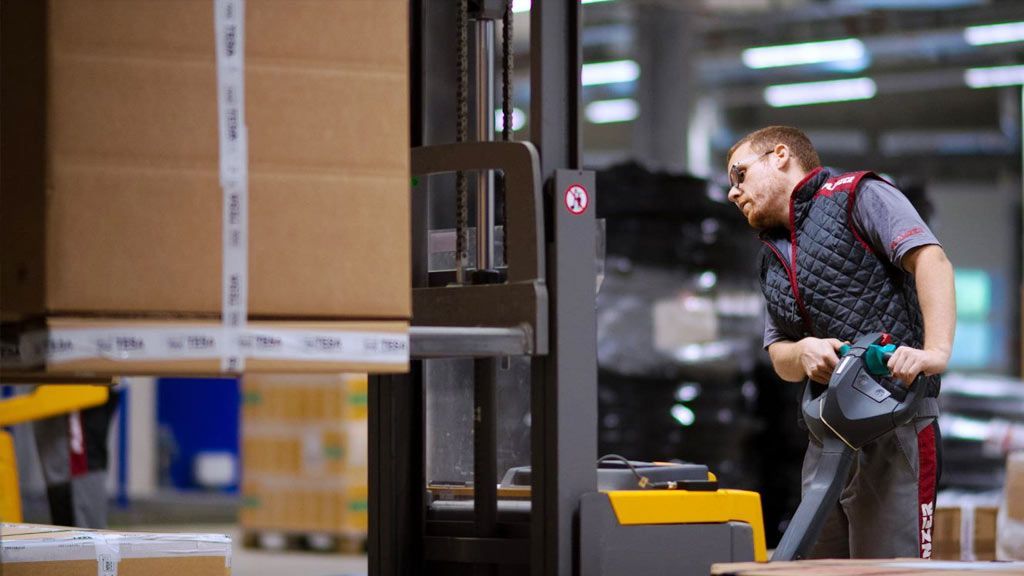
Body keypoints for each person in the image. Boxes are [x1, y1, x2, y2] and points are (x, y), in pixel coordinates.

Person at [726, 126, 956, 559]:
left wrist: (936, 352)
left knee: (890, 569)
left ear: (780, 156)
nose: (733, 193)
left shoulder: (857, 195)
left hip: (895, 425)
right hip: (827, 436)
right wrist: (802, 352)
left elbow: (930, 258)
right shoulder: (771, 257)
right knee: (817, 565)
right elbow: (779, 355)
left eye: (740, 175)